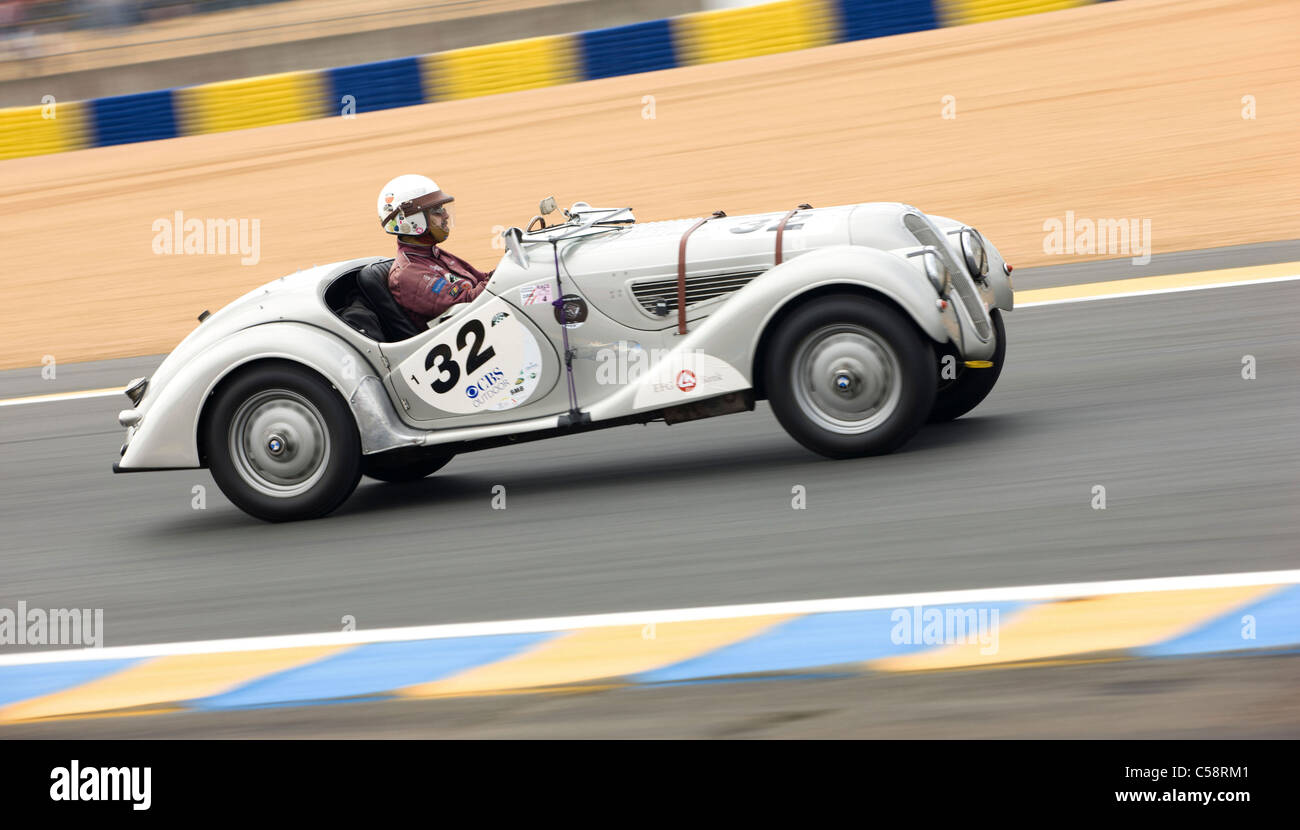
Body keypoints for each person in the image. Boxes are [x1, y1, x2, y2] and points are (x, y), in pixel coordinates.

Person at [376, 174, 493, 330]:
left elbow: (483, 279)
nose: (445, 215)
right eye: (437, 210)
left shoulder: (432, 253)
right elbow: (468, 302)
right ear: (411, 220)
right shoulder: (408, 273)